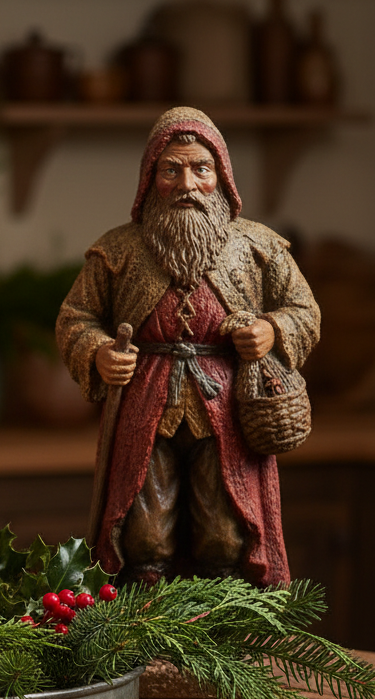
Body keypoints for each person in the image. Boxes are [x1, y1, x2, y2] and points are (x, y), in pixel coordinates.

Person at [56, 106, 319, 587]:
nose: (187, 184)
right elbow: (76, 317)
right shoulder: (118, 252)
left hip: (228, 412)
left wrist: (272, 330)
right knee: (144, 533)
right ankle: (145, 625)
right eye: (171, 169)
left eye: (200, 168)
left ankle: (220, 631)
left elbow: (304, 309)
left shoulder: (258, 248)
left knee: (224, 531)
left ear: (221, 176)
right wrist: (98, 352)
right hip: (146, 410)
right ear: (149, 177)